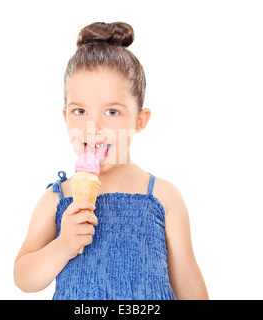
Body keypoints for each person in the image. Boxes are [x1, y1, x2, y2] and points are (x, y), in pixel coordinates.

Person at [14, 21, 208, 300]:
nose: (93, 126)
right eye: (80, 110)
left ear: (140, 120)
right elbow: (23, 277)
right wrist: (62, 246)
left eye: (112, 112)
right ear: (65, 117)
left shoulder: (162, 196)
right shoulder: (57, 198)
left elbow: (188, 281)